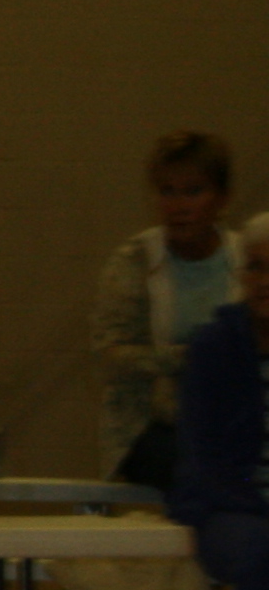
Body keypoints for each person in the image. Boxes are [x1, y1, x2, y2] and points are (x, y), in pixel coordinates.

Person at [93, 132, 243, 489]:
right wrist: (188, 357)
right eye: (167, 191)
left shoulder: (247, 260)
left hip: (235, 423)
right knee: (203, 466)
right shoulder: (133, 261)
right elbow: (109, 357)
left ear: (222, 198)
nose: (178, 206)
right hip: (150, 428)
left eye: (193, 191)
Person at [168, 239, 269, 590]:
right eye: (256, 267)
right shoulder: (215, 347)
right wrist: (254, 501)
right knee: (262, 549)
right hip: (229, 510)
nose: (265, 281)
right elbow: (201, 458)